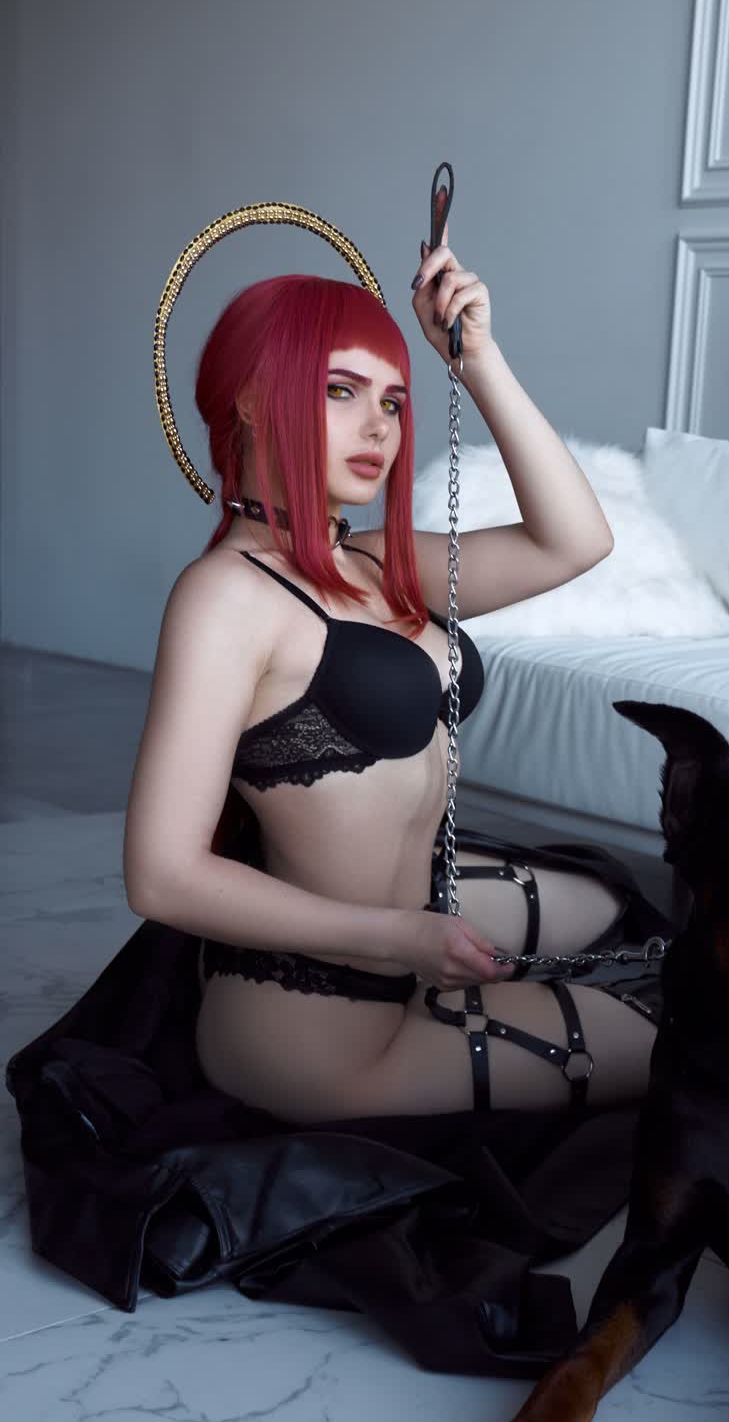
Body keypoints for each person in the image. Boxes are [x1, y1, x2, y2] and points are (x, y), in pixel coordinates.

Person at [123, 229, 661, 1127]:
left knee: (638, 906)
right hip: (320, 1024)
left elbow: (575, 541)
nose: (379, 426)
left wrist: (475, 359)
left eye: (394, 401)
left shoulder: (375, 560)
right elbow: (161, 876)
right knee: (700, 1045)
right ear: (253, 400)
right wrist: (397, 937)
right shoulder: (225, 597)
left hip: (421, 914)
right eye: (341, 391)